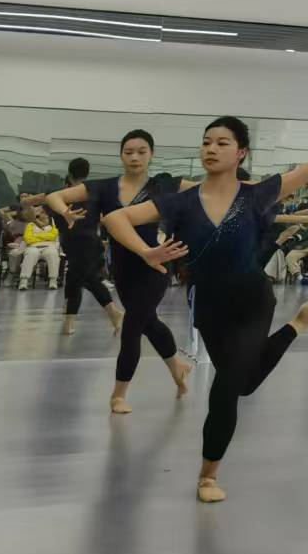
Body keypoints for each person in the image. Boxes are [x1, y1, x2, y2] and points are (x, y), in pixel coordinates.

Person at [104, 107, 308, 502]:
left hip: (252, 301)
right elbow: (116, 219)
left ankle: (208, 476)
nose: (211, 149)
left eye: (222, 143)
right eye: (206, 142)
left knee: (225, 387)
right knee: (245, 383)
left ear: (241, 152)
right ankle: (300, 323)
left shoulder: (257, 195)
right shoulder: (180, 202)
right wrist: (146, 252)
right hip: (208, 306)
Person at [24, 131, 191, 411]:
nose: (135, 157)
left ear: (151, 154)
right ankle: (177, 366)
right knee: (148, 321)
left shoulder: (165, 184)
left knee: (132, 325)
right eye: (129, 152)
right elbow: (55, 196)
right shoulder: (104, 187)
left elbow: (210, 189)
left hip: (156, 262)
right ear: (121, 155)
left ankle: (118, 394)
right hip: (122, 267)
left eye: (141, 151)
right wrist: (64, 212)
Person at [34, 158, 122, 335]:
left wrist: (26, 204)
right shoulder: (94, 193)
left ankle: (71, 322)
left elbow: (31, 206)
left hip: (77, 243)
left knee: (79, 279)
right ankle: (113, 314)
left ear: (69, 172)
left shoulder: (57, 194)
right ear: (87, 173)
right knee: (83, 279)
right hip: (88, 243)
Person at [18, 206, 62, 289]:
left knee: (52, 253)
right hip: (33, 246)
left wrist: (37, 236)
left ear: (48, 215)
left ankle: (53, 281)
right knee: (31, 253)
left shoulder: (53, 225)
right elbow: (28, 238)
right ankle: (24, 281)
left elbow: (53, 236)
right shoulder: (31, 224)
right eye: (40, 212)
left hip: (49, 246)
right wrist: (45, 236)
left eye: (43, 212)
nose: (40, 214)